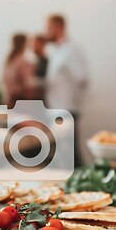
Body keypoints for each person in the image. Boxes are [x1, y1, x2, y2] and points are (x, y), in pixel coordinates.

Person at [44, 14, 88, 167]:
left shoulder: (72, 50)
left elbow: (82, 78)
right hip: (56, 108)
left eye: (48, 28)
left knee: (70, 154)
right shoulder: (57, 51)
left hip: (66, 108)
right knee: (63, 153)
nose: (46, 32)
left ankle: (85, 186)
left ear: (58, 27)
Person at [3, 33, 34, 107]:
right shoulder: (22, 61)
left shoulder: (9, 60)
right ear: (23, 44)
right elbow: (27, 84)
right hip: (20, 100)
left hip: (10, 98)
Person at [32, 34, 48, 100]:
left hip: (43, 99)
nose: (34, 46)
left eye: (36, 44)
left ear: (42, 45)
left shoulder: (46, 62)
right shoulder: (35, 61)